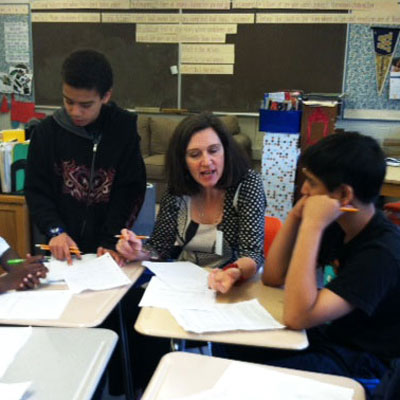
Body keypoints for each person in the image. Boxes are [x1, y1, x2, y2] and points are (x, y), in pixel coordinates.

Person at [216, 132, 399, 399]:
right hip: (329, 337)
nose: (303, 190)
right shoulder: (339, 225)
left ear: (344, 195)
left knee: (247, 386)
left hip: (362, 363)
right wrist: (295, 215)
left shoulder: (381, 253)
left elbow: (296, 316)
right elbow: (273, 277)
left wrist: (312, 225)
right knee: (224, 348)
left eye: (311, 183)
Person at [117, 111, 266, 293]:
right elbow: (159, 247)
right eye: (195, 155)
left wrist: (232, 272)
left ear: (225, 150)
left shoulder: (247, 184)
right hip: (183, 286)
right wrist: (138, 252)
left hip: (231, 286)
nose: (206, 161)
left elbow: (252, 253)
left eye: (213, 151)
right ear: (183, 161)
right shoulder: (178, 190)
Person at [25, 49, 146, 264]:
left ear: (106, 96)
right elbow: (36, 190)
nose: (75, 112)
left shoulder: (123, 130)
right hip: (62, 248)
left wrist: (111, 239)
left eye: (86, 105)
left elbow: (130, 190)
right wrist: (55, 230)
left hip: (107, 250)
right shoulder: (46, 133)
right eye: (68, 101)